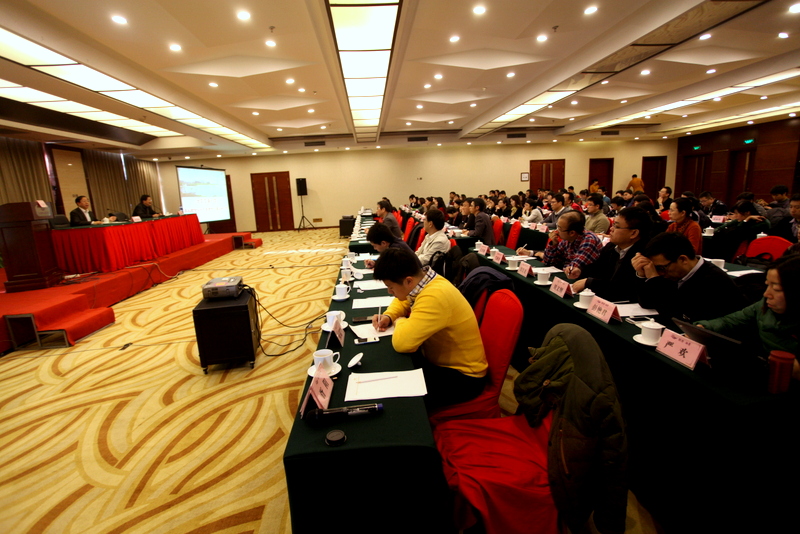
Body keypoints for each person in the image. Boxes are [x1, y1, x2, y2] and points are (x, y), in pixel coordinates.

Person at [371, 247, 488, 409]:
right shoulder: (425, 280)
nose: (390, 292)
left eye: (391, 287)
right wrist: (389, 315)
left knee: (398, 399)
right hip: (442, 362)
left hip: (464, 377)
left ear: (408, 281)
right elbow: (403, 299)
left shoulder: (435, 296)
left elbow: (402, 343)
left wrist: (400, 321)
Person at [696, 255, 800, 372]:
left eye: (776, 289)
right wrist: (702, 328)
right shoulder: (763, 306)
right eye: (767, 285)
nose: (767, 294)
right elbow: (730, 321)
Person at [632, 232, 742, 323]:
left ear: (683, 259)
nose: (659, 273)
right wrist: (642, 275)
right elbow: (647, 303)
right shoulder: (675, 273)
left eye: (661, 268)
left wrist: (654, 280)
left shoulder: (713, 281)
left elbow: (674, 316)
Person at [572, 207, 653, 302]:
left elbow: (625, 289)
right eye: (613, 225)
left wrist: (590, 283)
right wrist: (580, 270)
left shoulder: (644, 254)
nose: (611, 229)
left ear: (634, 233)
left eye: (617, 226)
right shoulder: (611, 246)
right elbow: (597, 267)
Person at [517, 211, 602, 280]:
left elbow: (572, 269)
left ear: (572, 233)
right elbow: (549, 261)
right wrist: (553, 244)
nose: (556, 231)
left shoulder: (589, 240)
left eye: (560, 228)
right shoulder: (567, 239)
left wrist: (565, 267)